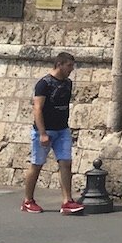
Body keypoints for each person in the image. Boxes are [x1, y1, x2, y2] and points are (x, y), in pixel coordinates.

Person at [23, 51, 83, 214]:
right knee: (37, 165)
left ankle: (67, 201)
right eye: (69, 66)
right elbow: (37, 109)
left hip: (62, 130)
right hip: (45, 130)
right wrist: (42, 133)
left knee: (65, 163)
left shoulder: (68, 83)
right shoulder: (44, 84)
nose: (71, 69)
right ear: (59, 64)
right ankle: (28, 200)